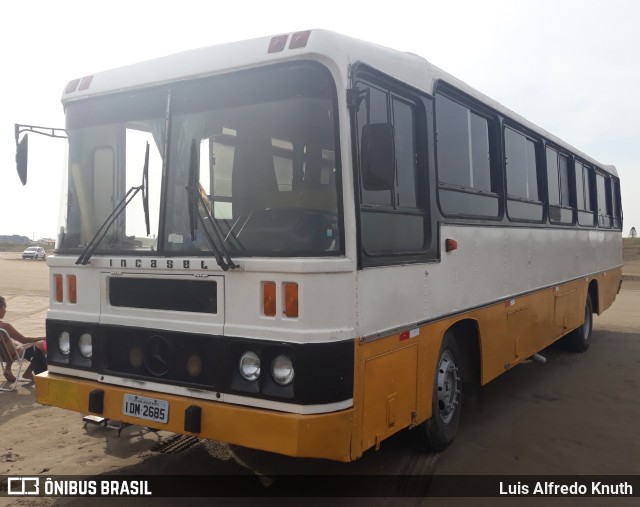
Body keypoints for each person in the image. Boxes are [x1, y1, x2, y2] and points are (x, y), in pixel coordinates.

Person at [0, 295, 47, 382]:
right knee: (42, 345)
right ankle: (29, 373)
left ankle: (8, 369)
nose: (5, 310)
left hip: (2, 355)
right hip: (14, 354)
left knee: (9, 342)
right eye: (4, 307)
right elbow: (24, 340)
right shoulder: (5, 326)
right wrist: (42, 337)